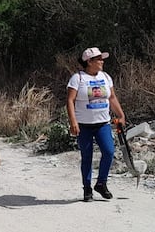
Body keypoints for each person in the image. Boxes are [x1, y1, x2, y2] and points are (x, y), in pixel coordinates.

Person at [66, 47, 125, 202]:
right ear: (89, 61)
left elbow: (112, 97)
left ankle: (101, 183)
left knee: (109, 151)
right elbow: (70, 100)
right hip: (84, 125)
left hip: (102, 123)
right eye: (98, 59)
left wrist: (121, 114)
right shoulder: (77, 78)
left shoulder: (105, 76)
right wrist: (73, 121)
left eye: (101, 58)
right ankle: (87, 189)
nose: (102, 61)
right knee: (87, 157)